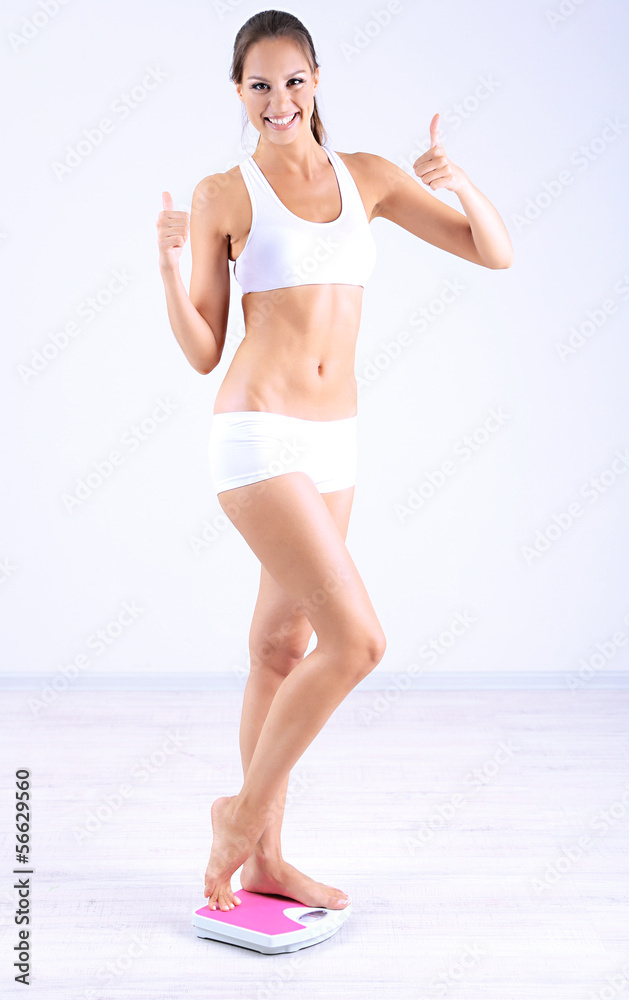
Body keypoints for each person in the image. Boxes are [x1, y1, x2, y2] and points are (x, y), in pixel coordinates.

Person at [156, 9, 513, 914]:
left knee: (283, 646)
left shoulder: (370, 180)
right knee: (358, 641)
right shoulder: (221, 192)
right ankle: (236, 821)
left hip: (336, 441)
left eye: (292, 81)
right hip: (258, 432)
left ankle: (269, 859)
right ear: (238, 94)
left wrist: (460, 180)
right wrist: (166, 271)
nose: (278, 101)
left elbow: (491, 251)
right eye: (258, 86)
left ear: (318, 79)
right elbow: (204, 349)